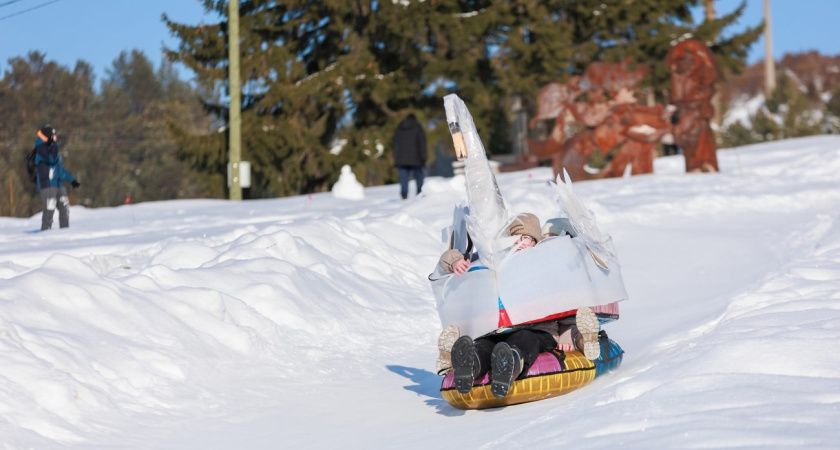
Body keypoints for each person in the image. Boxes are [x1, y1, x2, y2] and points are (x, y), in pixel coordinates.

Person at [438, 213, 601, 398]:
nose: (522, 243)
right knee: (485, 343)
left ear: (536, 242)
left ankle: (511, 363)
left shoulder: (545, 264)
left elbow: (565, 303)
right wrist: (455, 262)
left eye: (529, 239)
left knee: (525, 339)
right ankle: (471, 363)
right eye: (517, 238)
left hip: (541, 330)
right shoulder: (498, 263)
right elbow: (446, 259)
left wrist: (567, 334)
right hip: (501, 330)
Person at [33, 125, 80, 231]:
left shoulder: (53, 148)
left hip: (58, 184)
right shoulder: (40, 148)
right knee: (49, 209)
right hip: (48, 184)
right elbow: (51, 160)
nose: (55, 137)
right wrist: (53, 145)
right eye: (53, 135)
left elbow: (60, 168)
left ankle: (64, 232)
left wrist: (71, 180)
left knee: (64, 207)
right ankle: (45, 232)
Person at [392, 113, 427, 200]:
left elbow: (395, 144)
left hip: (401, 159)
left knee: (403, 178)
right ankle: (420, 193)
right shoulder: (418, 128)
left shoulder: (400, 128)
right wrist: (423, 158)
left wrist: (396, 158)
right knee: (419, 177)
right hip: (416, 159)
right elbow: (422, 144)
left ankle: (404, 195)